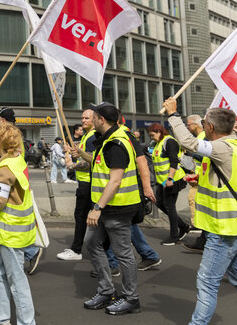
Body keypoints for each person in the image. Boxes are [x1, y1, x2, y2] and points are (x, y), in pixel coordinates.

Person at [164, 98, 237, 324]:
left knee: (207, 281)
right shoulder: (235, 145)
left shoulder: (222, 147)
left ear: (210, 127)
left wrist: (173, 116)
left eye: (204, 123)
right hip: (232, 226)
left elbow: (190, 144)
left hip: (223, 230)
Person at [80, 103, 142, 316]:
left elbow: (115, 181)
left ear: (101, 120)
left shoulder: (116, 143)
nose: (90, 119)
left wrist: (97, 207)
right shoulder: (106, 140)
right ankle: (106, 290)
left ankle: (131, 297)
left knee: (123, 253)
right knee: (91, 243)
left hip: (117, 208)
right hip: (106, 207)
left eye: (93, 116)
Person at [0, 123, 37, 325]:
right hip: (14, 232)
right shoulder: (17, 159)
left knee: (16, 281)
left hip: (9, 234)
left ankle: (26, 323)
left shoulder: (4, 169)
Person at [58, 110, 96, 261]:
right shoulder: (86, 136)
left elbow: (89, 161)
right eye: (82, 118)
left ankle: (76, 249)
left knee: (81, 216)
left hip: (88, 183)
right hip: (84, 182)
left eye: (87, 118)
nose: (83, 120)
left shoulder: (92, 136)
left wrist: (72, 166)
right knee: (83, 216)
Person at [148, 123, 190, 245]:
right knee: (160, 203)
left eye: (152, 135)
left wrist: (170, 179)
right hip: (163, 181)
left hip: (173, 180)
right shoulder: (157, 144)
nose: (151, 138)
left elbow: (174, 161)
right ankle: (183, 226)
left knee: (169, 206)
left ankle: (174, 236)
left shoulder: (169, 142)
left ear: (159, 132)